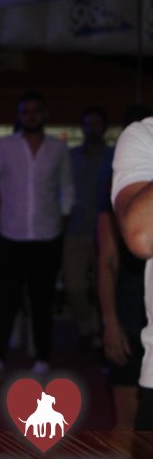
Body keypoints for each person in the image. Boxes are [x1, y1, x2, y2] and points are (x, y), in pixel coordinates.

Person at [0, 92, 74, 376]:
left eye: (35, 110)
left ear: (45, 114)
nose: (31, 116)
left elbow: (66, 186)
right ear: (19, 116)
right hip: (10, 236)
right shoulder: (4, 147)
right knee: (5, 300)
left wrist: (63, 219)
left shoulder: (58, 148)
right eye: (25, 111)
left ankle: (42, 358)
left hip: (46, 236)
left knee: (42, 301)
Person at [98, 105, 151, 431]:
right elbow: (108, 258)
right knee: (127, 424)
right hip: (132, 306)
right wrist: (110, 322)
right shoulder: (121, 185)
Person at [65, 107, 114, 347]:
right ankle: (86, 326)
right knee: (74, 286)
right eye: (88, 124)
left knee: (105, 284)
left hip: (107, 231)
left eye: (96, 124)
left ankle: (102, 329)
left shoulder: (114, 155)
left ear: (105, 127)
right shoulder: (70, 156)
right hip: (74, 230)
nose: (92, 129)